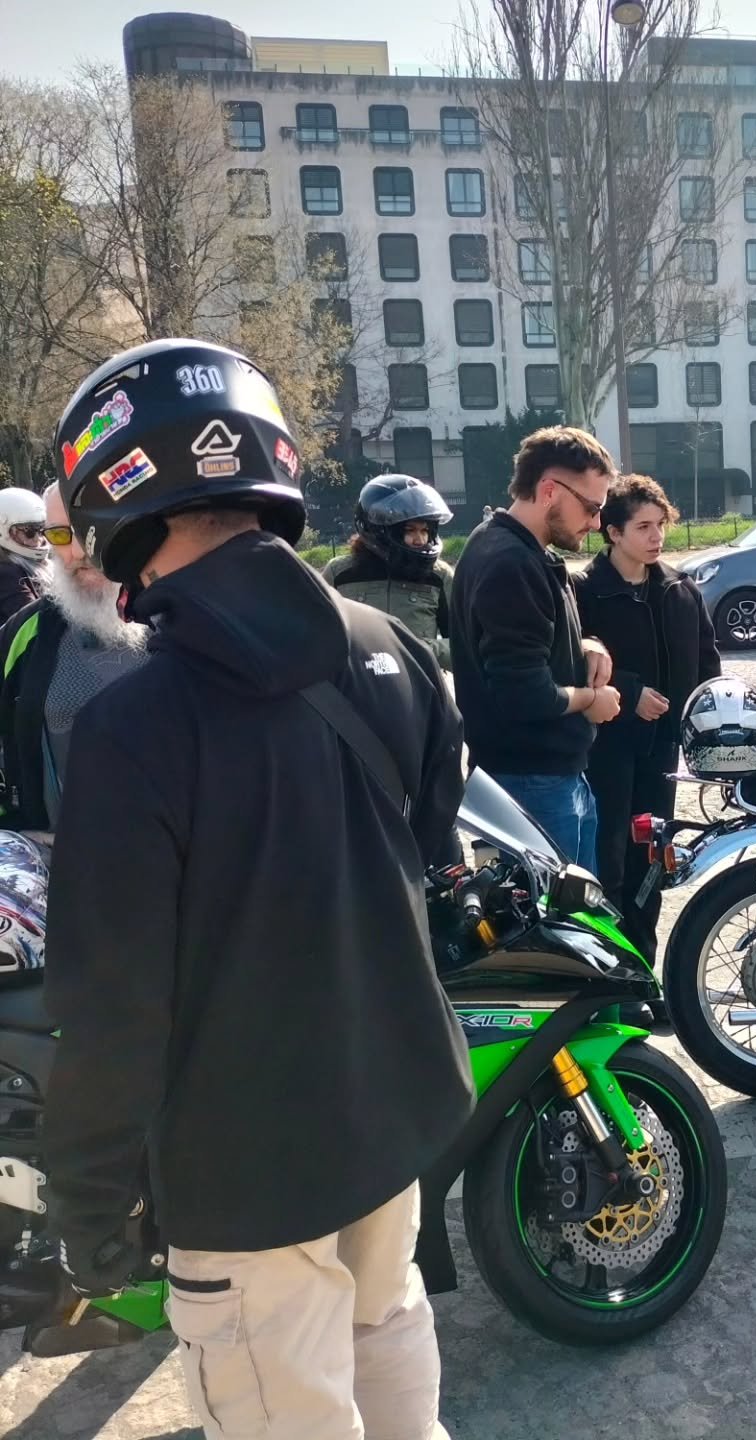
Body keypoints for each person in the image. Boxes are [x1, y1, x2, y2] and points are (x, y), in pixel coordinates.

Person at [45, 338, 473, 1439]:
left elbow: (114, 1006)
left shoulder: (128, 728)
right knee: (398, 1377)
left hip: (244, 1170)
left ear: (115, 501)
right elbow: (425, 855)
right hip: (390, 1118)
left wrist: (88, 1203)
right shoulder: (396, 648)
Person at [451, 426, 620, 874]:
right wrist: (592, 700)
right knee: (557, 917)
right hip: (531, 781)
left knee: (575, 910)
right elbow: (523, 693)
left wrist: (585, 644)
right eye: (592, 507)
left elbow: (524, 644)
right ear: (549, 491)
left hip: (542, 776)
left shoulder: (508, 546)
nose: (596, 523)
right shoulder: (511, 562)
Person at [575, 474, 721, 962]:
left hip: (663, 751)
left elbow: (707, 663)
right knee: (607, 861)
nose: (657, 536)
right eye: (643, 527)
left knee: (652, 860)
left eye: (661, 524)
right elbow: (568, 661)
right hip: (605, 750)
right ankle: (604, 969)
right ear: (613, 532)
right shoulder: (583, 592)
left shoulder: (681, 589)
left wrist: (704, 723)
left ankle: (642, 965)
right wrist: (630, 690)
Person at [0, 482, 149, 839]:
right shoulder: (26, 632)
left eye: (90, 526)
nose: (79, 550)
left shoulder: (185, 618)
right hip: (60, 859)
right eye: (59, 534)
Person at [322, 473, 455, 667]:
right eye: (409, 530)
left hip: (421, 683)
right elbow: (316, 637)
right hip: (359, 683)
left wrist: (423, 650)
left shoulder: (439, 576)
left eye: (425, 530)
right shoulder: (339, 573)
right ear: (378, 530)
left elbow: (465, 644)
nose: (420, 540)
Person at [0, 488, 50, 624]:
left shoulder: (34, 563)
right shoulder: (7, 574)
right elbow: (35, 622)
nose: (39, 539)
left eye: (41, 530)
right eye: (30, 531)